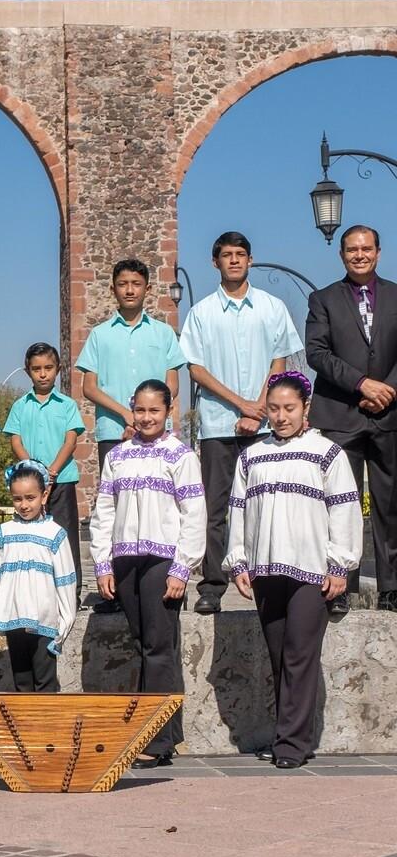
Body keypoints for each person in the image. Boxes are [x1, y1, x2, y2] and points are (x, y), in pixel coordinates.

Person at [225, 372, 362, 768]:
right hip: (266, 568)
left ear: (306, 409)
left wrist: (339, 565)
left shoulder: (326, 453)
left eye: (289, 408)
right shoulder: (251, 456)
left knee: (301, 654)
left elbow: (345, 510)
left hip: (311, 570)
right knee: (278, 655)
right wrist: (238, 560)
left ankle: (291, 745)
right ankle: (288, 732)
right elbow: (238, 511)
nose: (281, 416)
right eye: (274, 408)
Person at [179, 232, 303, 615]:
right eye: (226, 255)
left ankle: (268, 577)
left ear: (251, 260)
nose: (234, 260)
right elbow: (196, 369)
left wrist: (262, 409)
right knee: (215, 509)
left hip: (268, 426)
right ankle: (213, 585)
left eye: (240, 254)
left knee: (267, 503)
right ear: (215, 262)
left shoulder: (271, 307)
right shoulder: (201, 313)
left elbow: (279, 361)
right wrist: (241, 406)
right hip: (219, 426)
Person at [90, 380, 206, 769]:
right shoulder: (118, 456)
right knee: (144, 645)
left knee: (159, 646)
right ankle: (165, 733)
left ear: (168, 411)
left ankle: (155, 740)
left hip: (162, 560)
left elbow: (194, 516)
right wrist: (102, 562)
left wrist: (182, 567)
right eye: (140, 410)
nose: (146, 417)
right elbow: (104, 510)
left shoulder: (180, 456)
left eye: (154, 410)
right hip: (126, 559)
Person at [305, 224, 397, 613]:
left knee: (390, 502)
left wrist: (387, 389)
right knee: (339, 502)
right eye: (351, 250)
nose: (359, 255)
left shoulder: (396, 295)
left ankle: (391, 587)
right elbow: (317, 353)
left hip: (390, 412)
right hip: (341, 412)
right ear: (342, 255)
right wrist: (362, 384)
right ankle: (342, 585)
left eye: (366, 249)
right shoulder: (322, 299)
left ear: (378, 252)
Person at [0, 460, 77, 692]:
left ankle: (46, 729)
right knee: (21, 684)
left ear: (44, 495)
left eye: (30, 498)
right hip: (14, 619)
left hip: (45, 620)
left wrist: (64, 622)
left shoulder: (55, 534)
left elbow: (65, 581)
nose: (24, 505)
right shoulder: (4, 533)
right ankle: (25, 728)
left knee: (45, 682)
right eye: (17, 499)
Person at [76, 259, 186, 469]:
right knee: (116, 496)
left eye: (136, 284)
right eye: (122, 284)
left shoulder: (164, 333)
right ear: (112, 289)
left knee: (158, 494)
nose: (129, 290)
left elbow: (172, 385)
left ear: (148, 289)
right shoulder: (99, 335)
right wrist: (126, 414)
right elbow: (89, 387)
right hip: (113, 430)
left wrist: (145, 414)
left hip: (157, 430)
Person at [5, 342, 86, 605]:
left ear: (58, 370)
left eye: (48, 368)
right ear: (28, 371)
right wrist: (33, 469)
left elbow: (71, 440)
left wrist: (50, 472)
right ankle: (36, 587)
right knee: (33, 535)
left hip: (61, 479)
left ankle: (71, 589)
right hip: (30, 485)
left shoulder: (66, 404)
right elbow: (15, 439)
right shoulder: (20, 406)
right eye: (36, 369)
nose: (43, 374)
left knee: (65, 535)